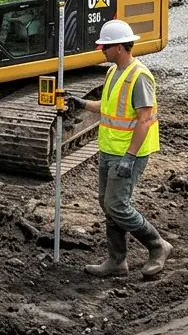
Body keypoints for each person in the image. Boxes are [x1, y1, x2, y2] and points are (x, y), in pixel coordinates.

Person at [66, 19, 173, 278]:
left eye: (106, 46)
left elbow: (145, 118)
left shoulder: (140, 77)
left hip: (128, 153)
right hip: (110, 149)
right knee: (107, 203)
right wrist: (81, 103)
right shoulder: (114, 72)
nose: (101, 49)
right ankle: (116, 261)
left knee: (117, 204)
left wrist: (130, 156)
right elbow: (108, 107)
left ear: (120, 48)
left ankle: (158, 246)